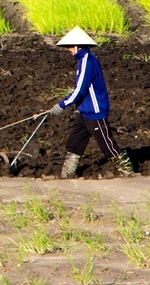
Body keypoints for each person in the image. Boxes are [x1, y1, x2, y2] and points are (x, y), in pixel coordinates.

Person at [49, 27, 134, 178]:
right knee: (75, 142)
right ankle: (67, 174)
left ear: (77, 46)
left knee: (107, 145)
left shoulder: (87, 61)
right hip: (84, 111)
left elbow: (80, 89)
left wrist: (62, 104)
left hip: (94, 111)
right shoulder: (83, 60)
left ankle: (127, 173)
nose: (68, 50)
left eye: (69, 46)